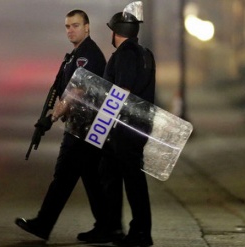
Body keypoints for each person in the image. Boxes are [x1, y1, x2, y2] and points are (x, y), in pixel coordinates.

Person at [15, 9, 124, 243]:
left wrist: (51, 118)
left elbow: (77, 92)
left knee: (63, 177)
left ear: (87, 27)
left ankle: (44, 224)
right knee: (91, 178)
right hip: (83, 128)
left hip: (83, 129)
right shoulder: (76, 54)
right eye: (67, 26)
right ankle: (108, 226)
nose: (70, 30)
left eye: (75, 25)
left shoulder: (87, 55)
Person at [100, 2, 156, 247]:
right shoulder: (145, 54)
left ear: (116, 32)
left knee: (133, 182)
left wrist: (104, 123)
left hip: (124, 128)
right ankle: (114, 227)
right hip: (140, 125)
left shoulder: (124, 55)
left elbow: (121, 92)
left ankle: (140, 233)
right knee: (112, 174)